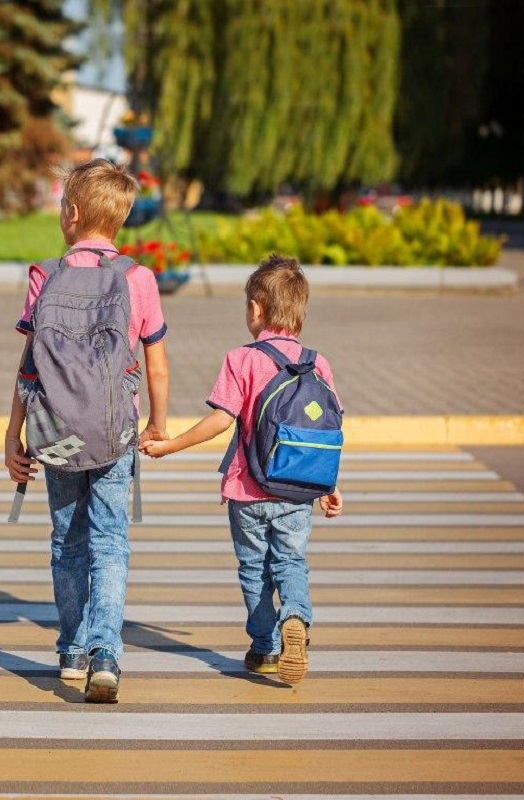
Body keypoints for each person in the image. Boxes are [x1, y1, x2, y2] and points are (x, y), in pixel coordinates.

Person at [4, 158, 170, 703]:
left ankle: (71, 652)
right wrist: (158, 424)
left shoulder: (44, 276)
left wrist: (13, 436)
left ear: (71, 214)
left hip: (56, 434)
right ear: (119, 220)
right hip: (115, 431)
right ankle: (106, 654)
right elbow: (157, 365)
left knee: (66, 542)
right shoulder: (138, 278)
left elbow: (29, 365)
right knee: (110, 542)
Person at [140, 253, 343, 685]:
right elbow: (321, 431)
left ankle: (266, 648)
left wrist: (170, 445)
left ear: (256, 309)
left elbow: (221, 420)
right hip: (299, 488)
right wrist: (329, 485)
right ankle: (297, 618)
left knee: (253, 568)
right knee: (291, 561)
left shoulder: (242, 359)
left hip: (248, 490)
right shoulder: (318, 363)